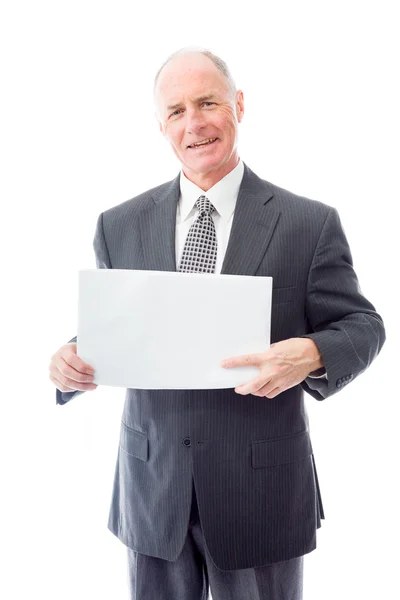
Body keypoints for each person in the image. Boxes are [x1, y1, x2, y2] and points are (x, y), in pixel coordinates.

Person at [49, 47, 386, 600]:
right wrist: (71, 357)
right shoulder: (119, 225)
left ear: (239, 106)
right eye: (177, 110)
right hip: (153, 490)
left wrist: (312, 352)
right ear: (161, 126)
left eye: (207, 102)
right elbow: (118, 326)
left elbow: (362, 324)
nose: (194, 123)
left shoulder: (308, 223)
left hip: (260, 492)